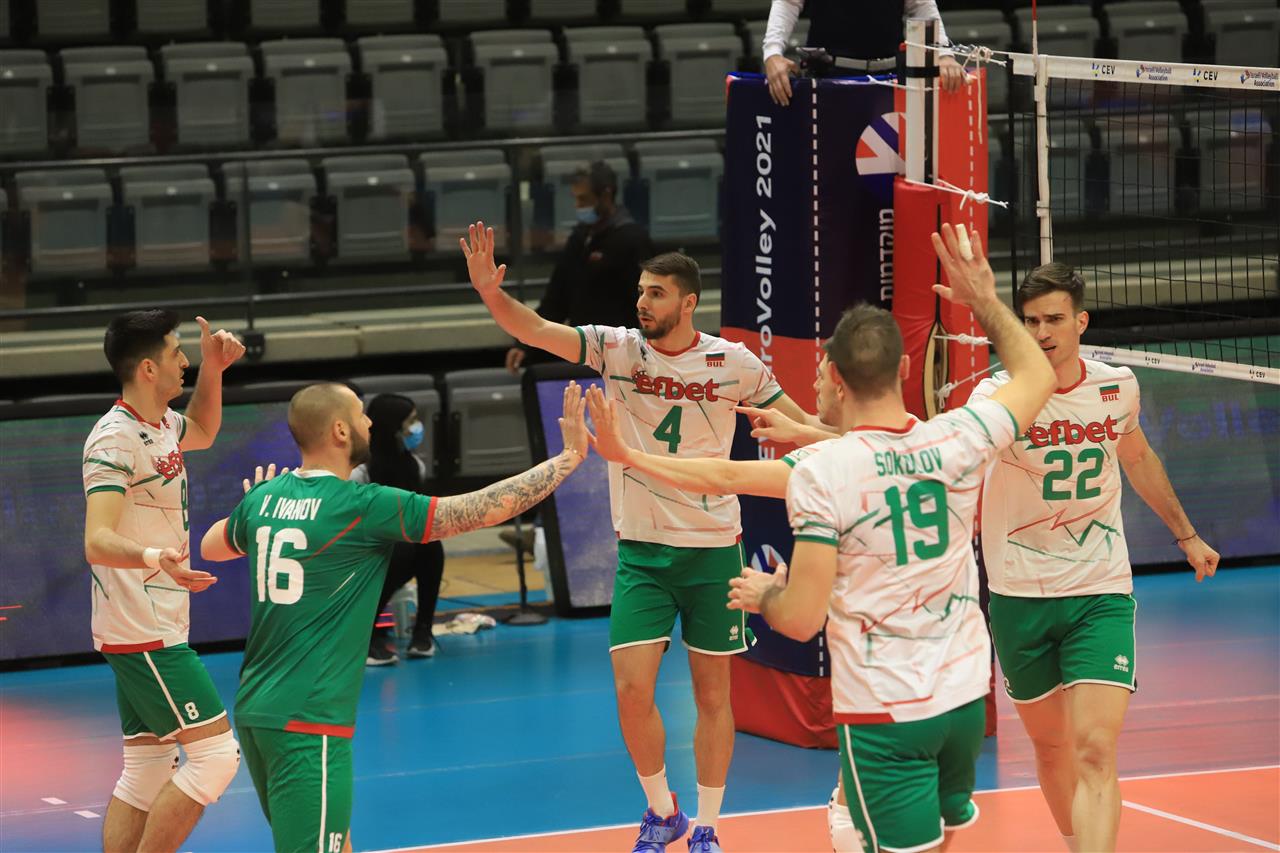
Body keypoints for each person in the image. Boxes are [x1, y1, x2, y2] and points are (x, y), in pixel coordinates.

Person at [588, 224, 1056, 852]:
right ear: (904, 368)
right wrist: (984, 301)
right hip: (964, 697)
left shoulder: (822, 473)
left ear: (833, 376)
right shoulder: (957, 439)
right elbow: (1037, 376)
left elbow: (735, 496)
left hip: (884, 705)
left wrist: (768, 594)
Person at [462, 221, 822, 853]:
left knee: (713, 696)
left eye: (656, 293)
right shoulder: (617, 349)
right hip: (642, 550)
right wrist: (492, 295)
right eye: (640, 291)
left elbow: (801, 426)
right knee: (631, 690)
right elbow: (537, 330)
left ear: (688, 302)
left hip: (713, 548)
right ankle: (662, 811)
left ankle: (707, 826)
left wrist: (856, 437)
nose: (642, 302)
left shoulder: (735, 363)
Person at [198, 381, 589, 853]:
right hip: (308, 721)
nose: (368, 422)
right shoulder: (362, 505)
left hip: (257, 712)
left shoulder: (265, 498)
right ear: (340, 430)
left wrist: (254, 506)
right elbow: (476, 511)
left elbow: (212, 547)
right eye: (360, 414)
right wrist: (566, 460)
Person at [968, 263, 1221, 853]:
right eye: (1030, 321)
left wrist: (1186, 534)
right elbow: (942, 459)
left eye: (1054, 319)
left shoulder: (1117, 387)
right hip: (1019, 593)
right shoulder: (996, 397)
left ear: (1080, 322)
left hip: (1098, 589)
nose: (1041, 332)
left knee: (1094, 749)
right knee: (1052, 748)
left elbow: (1137, 457)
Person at [82, 310, 247, 853]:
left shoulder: (161, 425)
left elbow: (204, 430)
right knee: (217, 758)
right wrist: (155, 556)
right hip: (142, 626)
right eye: (178, 353)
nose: (185, 361)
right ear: (148, 368)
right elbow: (97, 540)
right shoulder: (113, 440)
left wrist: (215, 369)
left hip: (152, 622)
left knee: (148, 769)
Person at [506, 160, 655, 374]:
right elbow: (556, 300)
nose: (578, 206)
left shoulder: (633, 239)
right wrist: (525, 343)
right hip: (582, 353)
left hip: (622, 357)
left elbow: (650, 304)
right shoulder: (579, 238)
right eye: (576, 199)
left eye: (584, 199)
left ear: (606, 194)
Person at [350, 393, 446, 665]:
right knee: (401, 551)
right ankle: (364, 636)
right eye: (410, 421)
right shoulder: (360, 472)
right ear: (392, 427)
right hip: (361, 551)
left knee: (430, 544)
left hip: (399, 547)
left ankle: (423, 631)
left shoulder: (415, 465)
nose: (416, 427)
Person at [762, 0, 965, 106]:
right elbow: (788, 3)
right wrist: (772, 52)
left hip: (892, 79)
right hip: (830, 79)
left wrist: (943, 54)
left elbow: (923, 6)